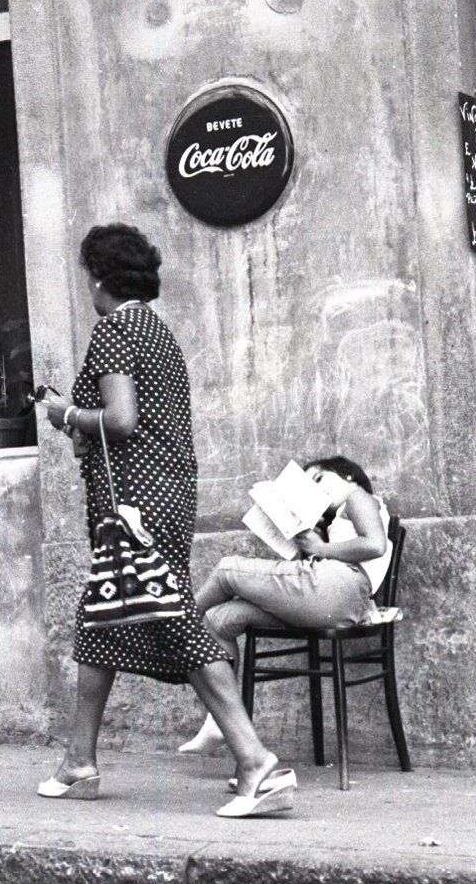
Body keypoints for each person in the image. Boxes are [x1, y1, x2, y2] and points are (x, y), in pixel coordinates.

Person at [37, 223, 295, 818]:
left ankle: (256, 762)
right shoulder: (158, 332)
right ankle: (79, 762)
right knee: (100, 623)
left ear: (98, 278)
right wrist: (83, 426)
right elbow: (140, 423)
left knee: (174, 619)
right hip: (164, 496)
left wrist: (65, 413)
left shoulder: (114, 329)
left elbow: (121, 420)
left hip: (132, 506)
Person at [178, 456, 391, 755]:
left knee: (228, 570)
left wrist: (321, 548)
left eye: (319, 479)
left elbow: (375, 545)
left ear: (349, 476)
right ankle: (219, 720)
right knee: (220, 619)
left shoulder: (358, 497)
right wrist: (312, 542)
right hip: (331, 601)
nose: (317, 489)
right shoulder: (336, 522)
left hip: (341, 588)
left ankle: (176, 625)